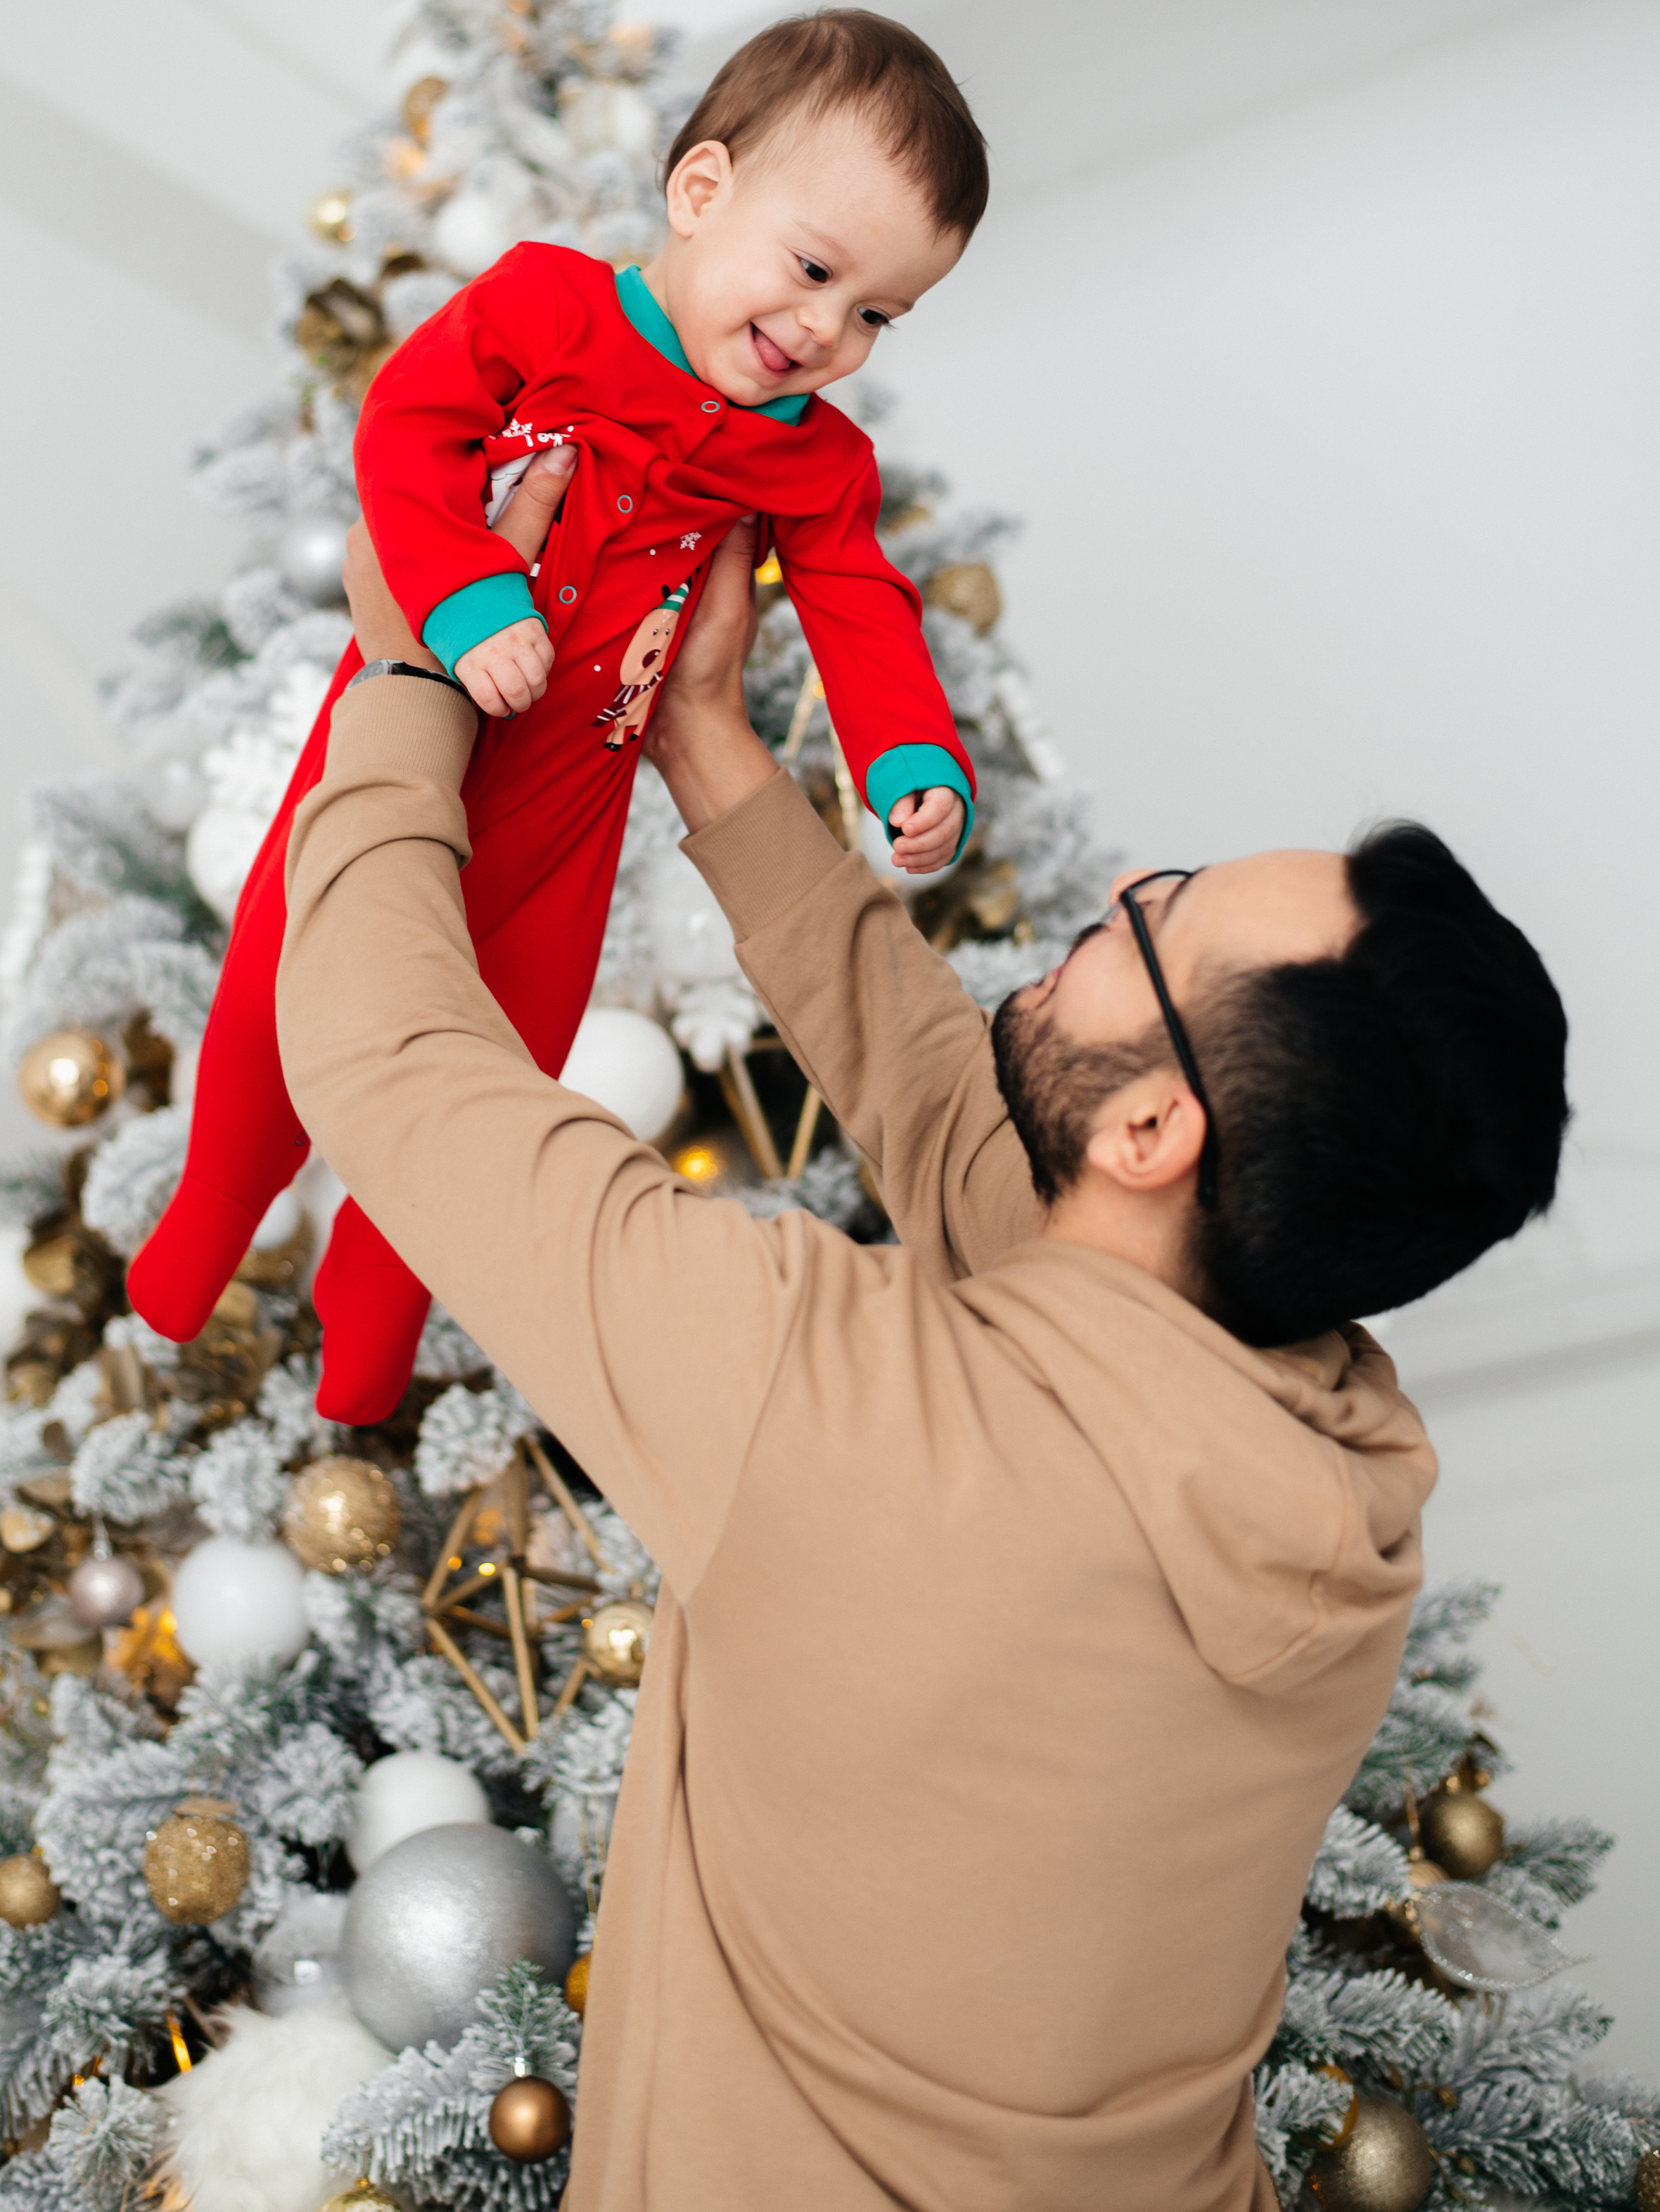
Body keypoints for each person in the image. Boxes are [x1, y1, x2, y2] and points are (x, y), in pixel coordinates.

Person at [274, 469, 1568, 2212]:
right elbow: (992, 1155)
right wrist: (714, 751)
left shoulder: (831, 1410)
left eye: (1155, 918)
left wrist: (417, 664)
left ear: (1152, 1136)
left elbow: (385, 1057)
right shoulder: (1334, 1469)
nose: (1116, 885)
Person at [132, 8, 989, 1426]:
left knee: (497, 1077)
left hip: (571, 810)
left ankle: (376, 1306)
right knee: (285, 978)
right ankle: (208, 1219)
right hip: (409, 736)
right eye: (817, 270)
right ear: (700, 193)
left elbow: (857, 603)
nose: (827, 333)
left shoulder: (815, 466)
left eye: (876, 314)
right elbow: (405, 429)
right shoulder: (547, 310)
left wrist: (906, 753)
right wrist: (465, 595)